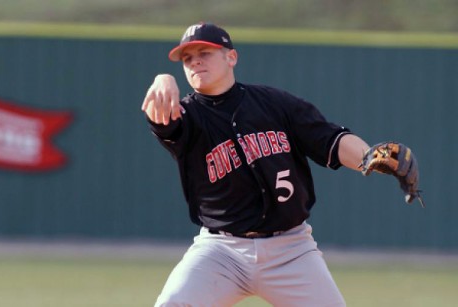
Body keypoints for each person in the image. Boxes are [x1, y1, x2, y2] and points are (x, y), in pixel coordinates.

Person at [141, 22, 412, 307]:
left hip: (291, 251)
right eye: (187, 58)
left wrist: (368, 156)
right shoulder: (187, 115)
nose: (195, 60)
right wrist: (162, 79)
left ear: (231, 57)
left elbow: (330, 139)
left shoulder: (274, 103)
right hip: (221, 251)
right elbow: (163, 119)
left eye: (205, 52)